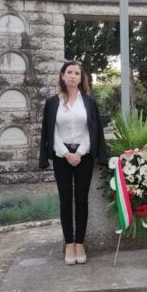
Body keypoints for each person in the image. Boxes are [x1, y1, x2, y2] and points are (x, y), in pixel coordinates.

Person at [39, 61, 107, 265]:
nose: (72, 76)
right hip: (62, 156)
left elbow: (92, 130)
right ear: (62, 75)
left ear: (81, 78)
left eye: (77, 73)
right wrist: (65, 153)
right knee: (65, 200)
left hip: (83, 155)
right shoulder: (52, 103)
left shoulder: (88, 102)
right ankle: (69, 243)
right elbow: (51, 131)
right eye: (69, 72)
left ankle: (80, 242)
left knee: (81, 200)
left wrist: (79, 152)